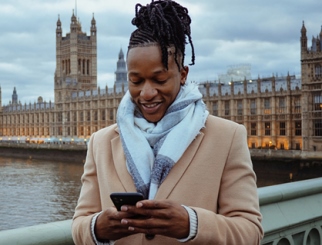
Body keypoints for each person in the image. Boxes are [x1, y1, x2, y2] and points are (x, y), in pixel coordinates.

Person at [72, 0, 263, 244]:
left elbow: (251, 233)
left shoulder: (228, 137)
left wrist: (191, 223)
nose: (147, 93)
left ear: (183, 74)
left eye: (159, 79)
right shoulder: (100, 142)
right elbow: (79, 225)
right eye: (136, 81)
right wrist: (97, 228)